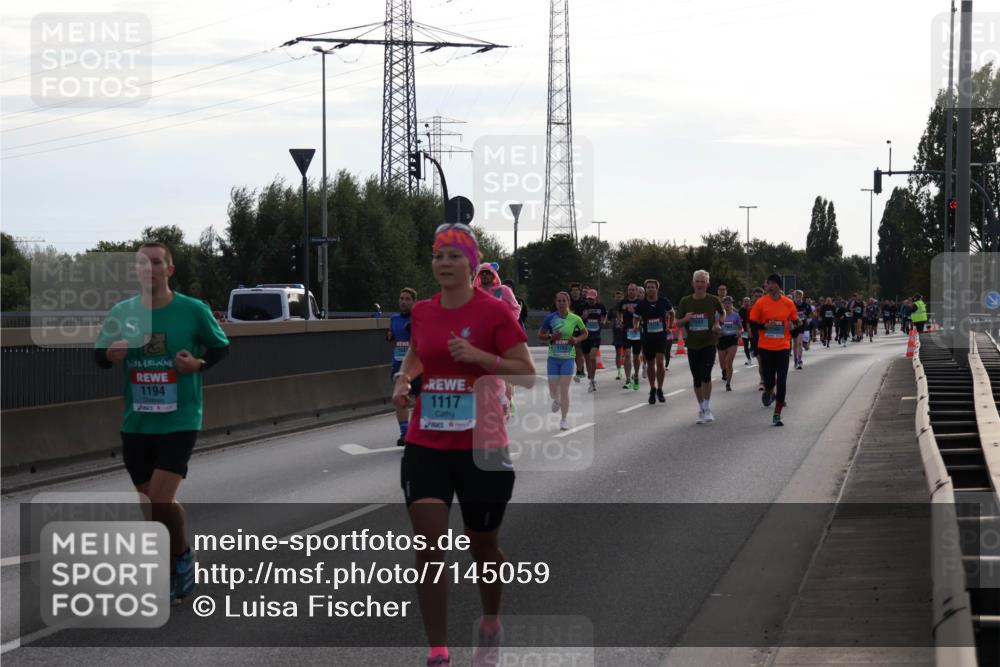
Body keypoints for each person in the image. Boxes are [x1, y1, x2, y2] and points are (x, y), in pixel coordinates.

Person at [392, 223, 535, 667]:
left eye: (454, 256)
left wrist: (480, 358)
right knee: (429, 546)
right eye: (438, 255)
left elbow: (526, 373)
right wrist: (403, 378)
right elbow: (419, 351)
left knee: (483, 546)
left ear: (472, 265)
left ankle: (490, 623)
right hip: (427, 442)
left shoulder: (495, 313)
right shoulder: (423, 311)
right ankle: (438, 651)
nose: (444, 263)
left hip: (483, 446)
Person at [94, 242, 230, 603]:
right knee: (151, 505)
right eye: (142, 263)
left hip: (180, 419)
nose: (149, 269)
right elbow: (99, 356)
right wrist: (111, 353)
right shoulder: (123, 312)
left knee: (158, 500)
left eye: (156, 263)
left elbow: (221, 347)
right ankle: (180, 557)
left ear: (169, 270)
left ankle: (174, 567)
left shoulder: (193, 310)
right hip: (137, 423)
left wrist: (197, 364)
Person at [675, 270, 725, 423]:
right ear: (693, 283)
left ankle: (707, 408)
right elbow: (677, 322)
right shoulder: (685, 301)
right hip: (692, 344)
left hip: (709, 342)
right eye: (697, 281)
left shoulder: (713, 300)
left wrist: (717, 323)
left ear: (707, 284)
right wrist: (686, 319)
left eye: (703, 282)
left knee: (706, 375)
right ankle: (701, 408)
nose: (700, 284)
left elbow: (722, 313)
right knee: (697, 379)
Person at [749, 273, 799, 427]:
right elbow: (753, 324)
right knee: (769, 381)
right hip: (766, 347)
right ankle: (769, 391)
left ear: (777, 285)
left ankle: (777, 413)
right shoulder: (761, 303)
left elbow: (797, 323)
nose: (768, 286)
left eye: (771, 283)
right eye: (767, 283)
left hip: (783, 346)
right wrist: (764, 326)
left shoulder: (788, 303)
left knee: (782, 380)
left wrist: (793, 327)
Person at [540, 292, 588, 430]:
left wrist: (576, 339)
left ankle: (564, 419)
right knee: (553, 388)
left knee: (564, 388)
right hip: (553, 358)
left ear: (568, 303)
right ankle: (556, 398)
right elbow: (540, 334)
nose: (561, 303)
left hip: (568, 358)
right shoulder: (550, 318)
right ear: (556, 303)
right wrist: (551, 336)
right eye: (559, 301)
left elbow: (585, 333)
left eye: (564, 301)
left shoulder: (575, 318)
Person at [632, 278, 674, 405]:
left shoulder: (664, 301)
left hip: (661, 336)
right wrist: (636, 326)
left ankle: (660, 389)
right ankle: (652, 388)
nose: (650, 289)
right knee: (650, 364)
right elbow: (636, 318)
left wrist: (670, 326)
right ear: (646, 290)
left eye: (652, 287)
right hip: (648, 338)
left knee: (660, 362)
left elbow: (672, 313)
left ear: (657, 289)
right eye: (648, 287)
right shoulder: (641, 304)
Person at [388, 287, 420, 446]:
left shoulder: (420, 318)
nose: (404, 302)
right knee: (400, 399)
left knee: (421, 401)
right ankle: (405, 433)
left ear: (414, 302)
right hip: (399, 365)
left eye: (407, 299)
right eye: (401, 299)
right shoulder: (394, 319)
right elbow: (395, 341)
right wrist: (390, 338)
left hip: (418, 367)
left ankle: (419, 432)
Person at [579, 289, 607, 393]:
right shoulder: (583, 307)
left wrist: (603, 321)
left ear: (596, 298)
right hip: (586, 335)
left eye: (592, 298)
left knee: (592, 358)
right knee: (587, 358)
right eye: (589, 298)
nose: (590, 300)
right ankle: (590, 376)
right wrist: (582, 317)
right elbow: (577, 319)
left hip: (596, 335)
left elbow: (605, 314)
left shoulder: (600, 306)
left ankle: (592, 381)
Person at [619, 283, 643, 391]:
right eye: (629, 290)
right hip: (626, 331)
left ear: (636, 291)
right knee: (627, 355)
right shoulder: (623, 302)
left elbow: (644, 315)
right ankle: (628, 379)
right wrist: (620, 321)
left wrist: (639, 323)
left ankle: (636, 375)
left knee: (636, 356)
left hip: (637, 332)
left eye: (633, 290)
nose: (631, 291)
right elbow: (619, 313)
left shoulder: (641, 303)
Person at [718, 296, 743, 392]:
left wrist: (740, 332)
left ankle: (728, 383)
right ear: (723, 305)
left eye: (729, 303)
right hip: (721, 339)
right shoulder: (718, 315)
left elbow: (741, 328)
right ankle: (724, 371)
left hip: (732, 339)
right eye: (725, 303)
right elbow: (714, 326)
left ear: (732, 304)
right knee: (722, 364)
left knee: (729, 361)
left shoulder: (736, 315)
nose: (727, 305)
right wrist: (717, 331)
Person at [568, 283, 586, 382]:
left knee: (579, 351)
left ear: (580, 292)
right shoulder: (567, 303)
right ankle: (580, 368)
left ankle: (579, 371)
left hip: (580, 330)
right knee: (573, 353)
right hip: (569, 330)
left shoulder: (584, 303)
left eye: (577, 290)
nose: (575, 292)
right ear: (570, 292)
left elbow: (586, 316)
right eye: (573, 290)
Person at [611, 289, 627, 380]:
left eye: (620, 297)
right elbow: (608, 320)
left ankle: (627, 371)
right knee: (618, 353)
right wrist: (614, 321)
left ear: (623, 297)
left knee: (626, 353)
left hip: (626, 333)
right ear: (614, 298)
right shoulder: (613, 309)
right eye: (617, 297)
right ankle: (619, 372)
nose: (618, 299)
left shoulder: (626, 307)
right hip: (617, 334)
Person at [739, 296, 754, 365]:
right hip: (744, 331)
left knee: (753, 344)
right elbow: (738, 321)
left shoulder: (752, 309)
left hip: (752, 330)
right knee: (745, 345)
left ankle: (752, 350)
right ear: (743, 302)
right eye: (745, 301)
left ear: (750, 302)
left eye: (748, 301)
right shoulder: (741, 311)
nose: (746, 303)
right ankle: (749, 359)